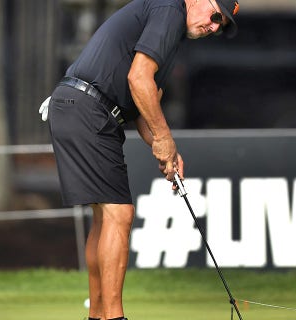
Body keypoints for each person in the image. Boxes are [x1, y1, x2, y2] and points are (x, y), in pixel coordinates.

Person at [39, 0, 240, 319]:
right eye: (215, 16)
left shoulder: (171, 32)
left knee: (106, 217)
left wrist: (167, 153)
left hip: (84, 108)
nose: (214, 26)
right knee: (120, 214)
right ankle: (114, 317)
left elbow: (146, 104)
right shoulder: (170, 10)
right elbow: (139, 79)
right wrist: (164, 140)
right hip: (88, 107)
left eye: (221, 25)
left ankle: (98, 315)